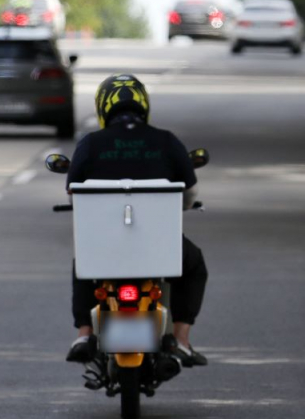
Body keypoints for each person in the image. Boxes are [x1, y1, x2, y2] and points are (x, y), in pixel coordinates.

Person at [65, 74, 209, 368]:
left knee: (83, 262)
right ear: (144, 105)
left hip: (104, 247)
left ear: (103, 108)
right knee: (194, 264)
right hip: (160, 246)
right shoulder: (167, 141)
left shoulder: (90, 143)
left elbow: (73, 193)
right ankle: (181, 340)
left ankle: (85, 333)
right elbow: (191, 192)